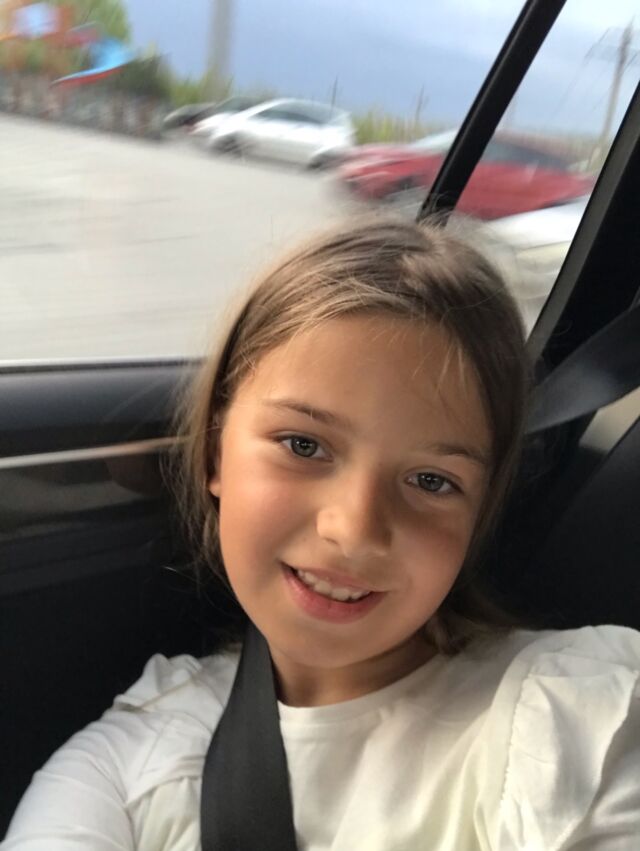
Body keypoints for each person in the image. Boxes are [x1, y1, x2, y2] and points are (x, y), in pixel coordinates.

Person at [3, 218, 639, 850]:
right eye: (303, 445)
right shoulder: (127, 765)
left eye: (431, 481)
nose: (356, 531)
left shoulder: (579, 721)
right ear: (216, 453)